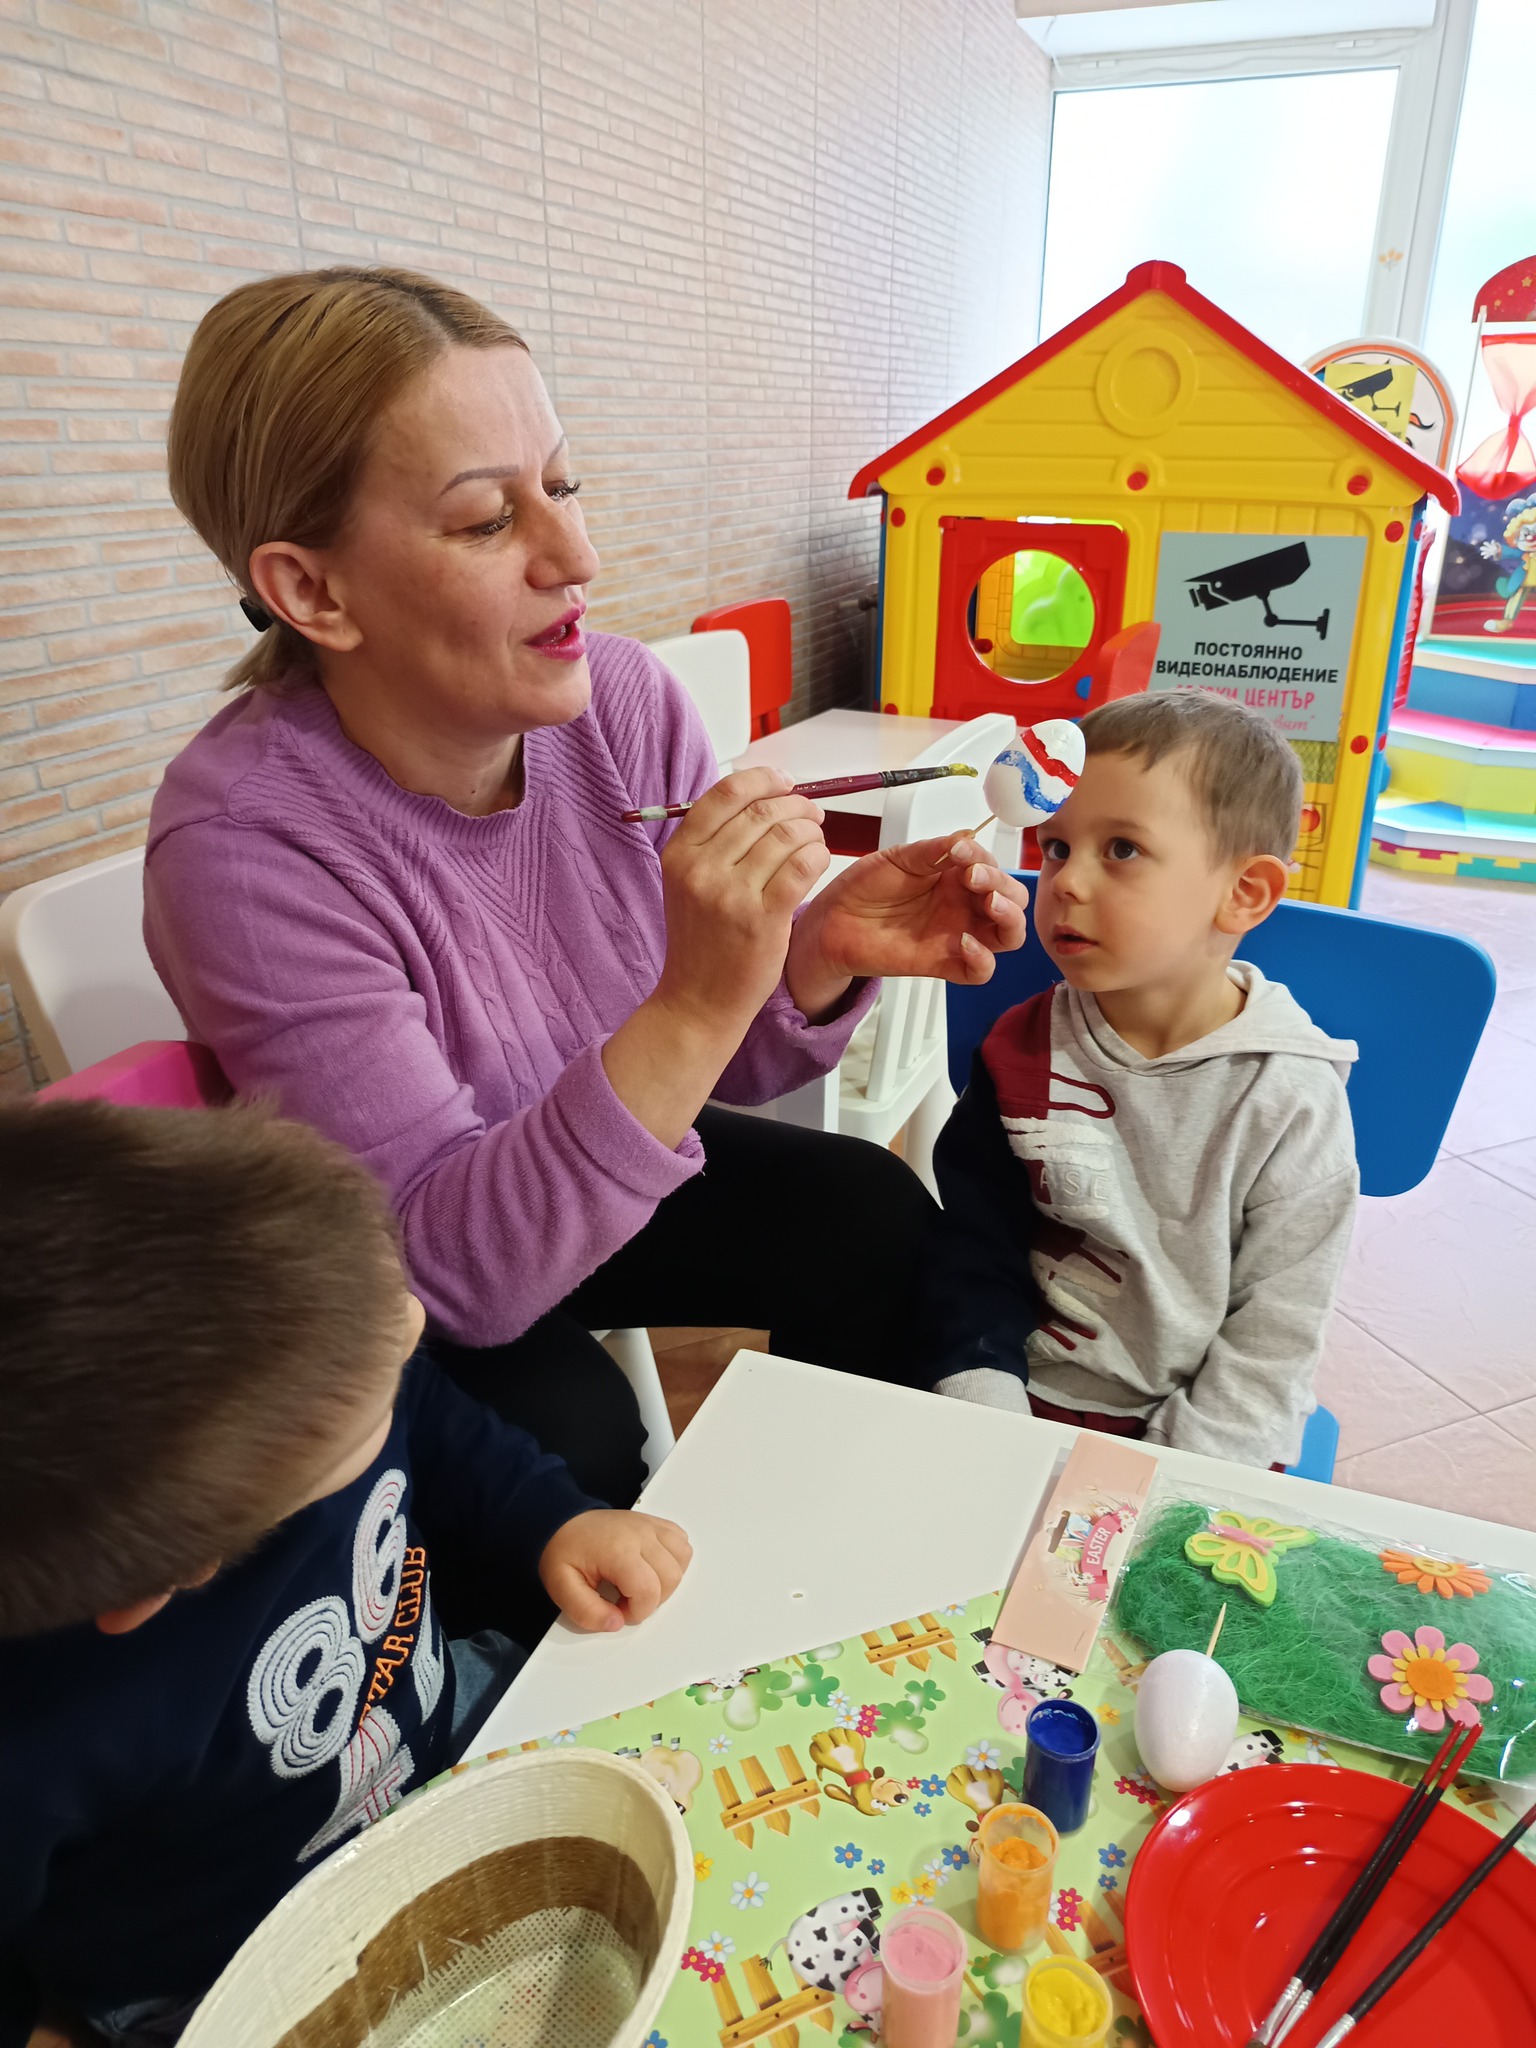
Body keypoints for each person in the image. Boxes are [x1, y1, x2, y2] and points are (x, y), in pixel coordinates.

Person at [144, 265, 1029, 1510]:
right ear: (313, 591)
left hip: (570, 1161)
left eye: (560, 485)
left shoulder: (618, 700)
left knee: (872, 1214)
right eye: (485, 521)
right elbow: (458, 1274)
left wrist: (811, 952)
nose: (578, 556)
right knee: (573, 1430)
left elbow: (719, 1070)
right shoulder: (246, 850)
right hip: (411, 1263)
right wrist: (693, 998)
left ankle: (825, 1553)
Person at [0, 1098, 691, 2048]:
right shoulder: (35, 1743)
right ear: (178, 1572)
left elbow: (432, 1415)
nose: (414, 1322)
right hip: (237, 1959)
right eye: (374, 1402)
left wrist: (551, 1517)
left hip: (446, 1724)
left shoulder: (314, 1381)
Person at [926, 692, 1358, 1469]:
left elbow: (1274, 1337)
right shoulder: (1019, 1046)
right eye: (1056, 847)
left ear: (1244, 893)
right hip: (1014, 1401)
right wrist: (988, 1409)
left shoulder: (1289, 1096)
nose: (1068, 882)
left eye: (1121, 849)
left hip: (1201, 1435)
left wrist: (1171, 1475)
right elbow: (974, 1251)